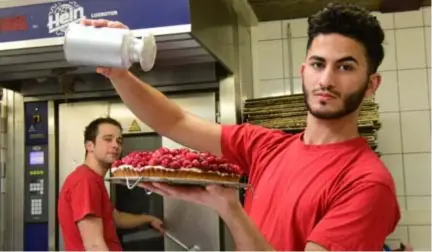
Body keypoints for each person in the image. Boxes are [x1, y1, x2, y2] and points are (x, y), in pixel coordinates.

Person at [80, 2, 401, 251]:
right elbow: (174, 120)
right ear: (304, 70)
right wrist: (119, 73)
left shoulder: (367, 183)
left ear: (371, 84)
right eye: (318, 64)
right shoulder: (267, 147)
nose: (326, 80)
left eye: (345, 67)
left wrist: (230, 210)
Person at [57, 117, 164, 251]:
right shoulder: (85, 181)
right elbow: (94, 245)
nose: (115, 145)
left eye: (119, 141)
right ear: (89, 146)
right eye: (108, 139)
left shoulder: (93, 179)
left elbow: (117, 218)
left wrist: (149, 219)